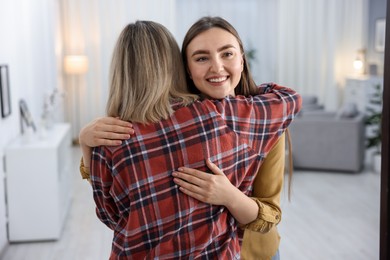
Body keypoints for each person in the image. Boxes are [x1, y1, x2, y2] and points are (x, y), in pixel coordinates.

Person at [80, 17, 300, 259]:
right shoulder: (230, 115)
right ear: (184, 68)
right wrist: (86, 141)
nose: (216, 67)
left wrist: (229, 195)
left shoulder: (266, 121)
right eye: (202, 58)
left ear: (242, 58)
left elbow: (111, 215)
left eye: (227, 53)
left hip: (257, 252)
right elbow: (289, 98)